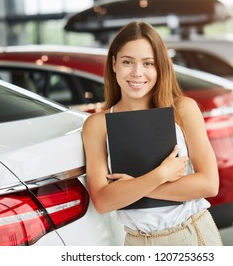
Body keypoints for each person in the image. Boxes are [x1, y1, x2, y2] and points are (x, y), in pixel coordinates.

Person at [82, 21, 223, 246]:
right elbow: (103, 201)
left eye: (148, 63)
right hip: (137, 242)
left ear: (160, 67)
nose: (137, 73)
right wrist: (160, 174)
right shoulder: (98, 125)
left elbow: (209, 184)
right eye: (128, 62)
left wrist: (131, 187)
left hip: (190, 234)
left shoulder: (183, 110)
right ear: (114, 64)